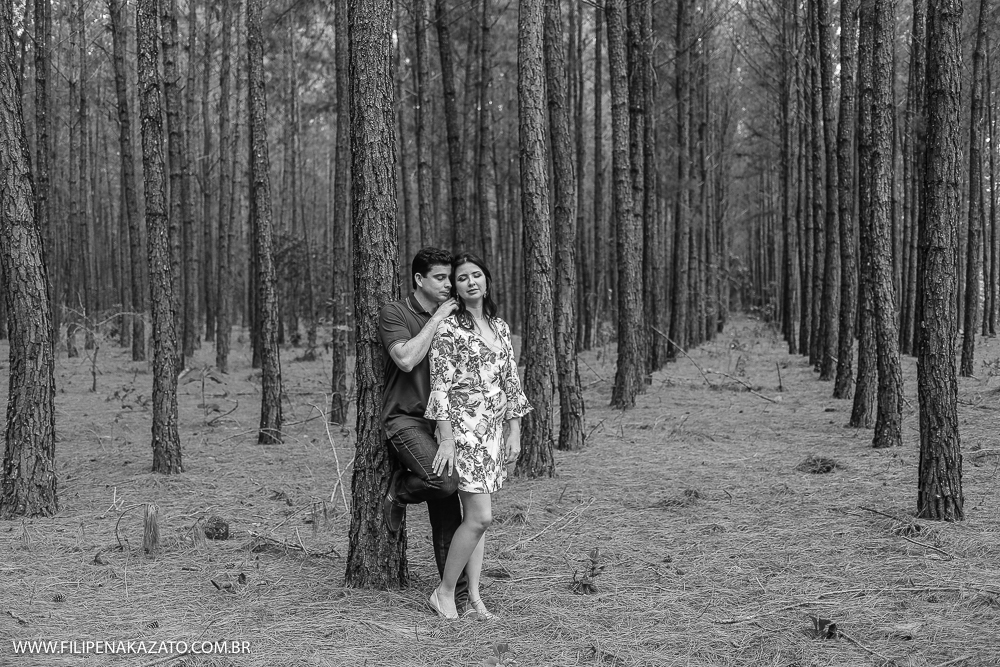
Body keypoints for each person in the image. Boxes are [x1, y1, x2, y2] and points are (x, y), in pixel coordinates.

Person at [424, 253, 532, 620]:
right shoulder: (449, 329)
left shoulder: (499, 327)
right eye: (462, 278)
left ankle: (473, 596)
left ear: (486, 280)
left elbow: (511, 382)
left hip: (492, 433)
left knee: (478, 520)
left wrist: (514, 431)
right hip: (462, 431)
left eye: (476, 275)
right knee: (481, 518)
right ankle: (443, 592)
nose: (471, 282)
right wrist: (446, 439)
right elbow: (440, 387)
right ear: (455, 287)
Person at [379, 246, 469, 613]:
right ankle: (399, 490)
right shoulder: (395, 312)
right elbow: (405, 359)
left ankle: (456, 598)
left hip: (443, 422)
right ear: (419, 279)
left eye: (450, 278)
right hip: (405, 419)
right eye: (440, 278)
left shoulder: (456, 317)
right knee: (443, 482)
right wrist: (438, 318)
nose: (449, 284)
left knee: (450, 511)